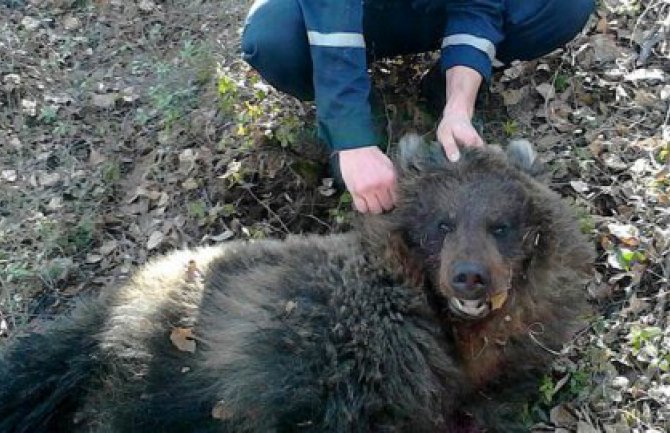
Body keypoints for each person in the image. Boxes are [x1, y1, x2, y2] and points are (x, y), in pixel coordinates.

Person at [241, 0, 594, 214]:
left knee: (563, 6)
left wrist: (459, 105)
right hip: (345, 15)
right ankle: (367, 114)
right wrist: (352, 139)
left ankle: (442, 89)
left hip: (427, 11)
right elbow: (331, 19)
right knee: (273, 40)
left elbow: (477, 6)